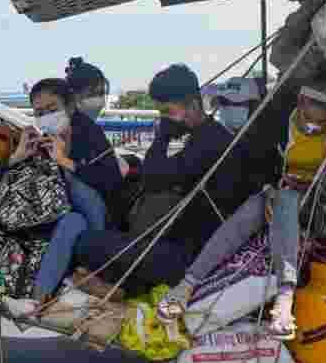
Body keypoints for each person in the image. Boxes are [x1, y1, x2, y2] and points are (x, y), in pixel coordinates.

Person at [156, 75, 326, 341]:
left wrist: (296, 189)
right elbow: (265, 165)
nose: (321, 114)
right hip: (280, 190)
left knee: (285, 201)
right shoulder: (279, 125)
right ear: (302, 101)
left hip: (313, 198)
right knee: (253, 210)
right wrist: (270, 188)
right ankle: (188, 283)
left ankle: (285, 295)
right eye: (316, 105)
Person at [72, 63, 250, 291]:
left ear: (193, 105)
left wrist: (162, 137)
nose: (164, 119)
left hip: (194, 257)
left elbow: (152, 177)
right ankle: (120, 284)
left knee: (87, 243)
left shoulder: (210, 143)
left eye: (167, 112)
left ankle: (122, 287)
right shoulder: (206, 136)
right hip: (180, 241)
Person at [0, 76, 123, 312]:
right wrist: (17, 157)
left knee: (76, 214)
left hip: (90, 225)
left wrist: (65, 162)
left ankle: (40, 298)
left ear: (69, 107)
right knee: (73, 217)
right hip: (43, 223)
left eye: (52, 109)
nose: (46, 117)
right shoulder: (35, 140)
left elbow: (111, 182)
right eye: (39, 112)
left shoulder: (88, 135)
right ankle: (42, 297)